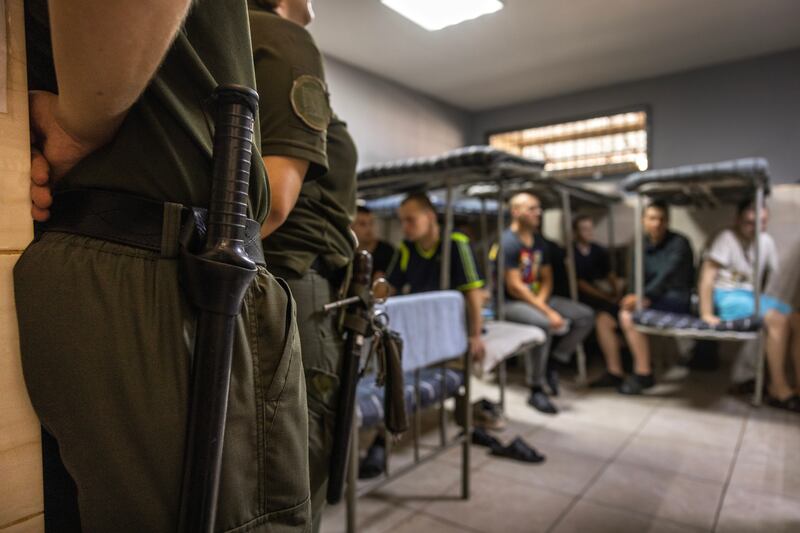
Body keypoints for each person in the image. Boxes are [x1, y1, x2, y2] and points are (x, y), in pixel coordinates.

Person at [21, 1, 309, 531]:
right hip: (172, 281)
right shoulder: (287, 38)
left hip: (78, 260)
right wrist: (76, 129)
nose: (310, 14)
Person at [249, 1, 358, 529]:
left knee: (295, 438)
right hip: (296, 274)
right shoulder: (279, 38)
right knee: (309, 436)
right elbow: (272, 204)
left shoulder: (249, 40)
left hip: (304, 272)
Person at [698, 200, 800, 412]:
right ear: (738, 220)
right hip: (726, 295)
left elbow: (769, 277)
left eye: (761, 223)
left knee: (796, 318)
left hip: (750, 295)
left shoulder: (766, 241)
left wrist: (767, 303)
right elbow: (707, 276)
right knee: (776, 320)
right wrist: (706, 313)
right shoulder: (726, 238)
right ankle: (778, 389)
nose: (755, 228)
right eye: (749, 223)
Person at [499, 193, 594, 414]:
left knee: (585, 316)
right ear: (516, 212)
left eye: (538, 208)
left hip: (537, 298)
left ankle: (554, 361)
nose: (538, 213)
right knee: (542, 323)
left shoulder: (539, 241)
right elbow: (515, 287)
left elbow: (546, 277)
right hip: (510, 303)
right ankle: (536, 387)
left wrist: (543, 303)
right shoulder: (508, 242)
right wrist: (546, 312)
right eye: (531, 208)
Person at [618, 201, 694, 395]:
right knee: (624, 311)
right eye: (652, 218)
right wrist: (633, 295)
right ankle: (640, 366)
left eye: (661, 219)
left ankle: (643, 374)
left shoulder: (680, 243)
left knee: (628, 315)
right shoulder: (639, 244)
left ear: (668, 222)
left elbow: (668, 275)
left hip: (676, 297)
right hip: (649, 296)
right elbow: (635, 275)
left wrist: (644, 297)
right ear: (643, 220)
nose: (657, 223)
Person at [571, 215, 626, 388]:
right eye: (584, 229)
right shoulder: (571, 253)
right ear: (576, 232)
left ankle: (621, 359)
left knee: (615, 311)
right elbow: (580, 283)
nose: (588, 233)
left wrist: (616, 292)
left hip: (601, 291)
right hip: (583, 295)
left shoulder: (598, 250)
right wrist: (605, 296)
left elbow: (609, 274)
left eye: (590, 228)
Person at [352, 205, 396, 280]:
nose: (369, 228)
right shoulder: (347, 254)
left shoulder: (387, 252)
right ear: (351, 226)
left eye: (371, 223)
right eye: (362, 224)